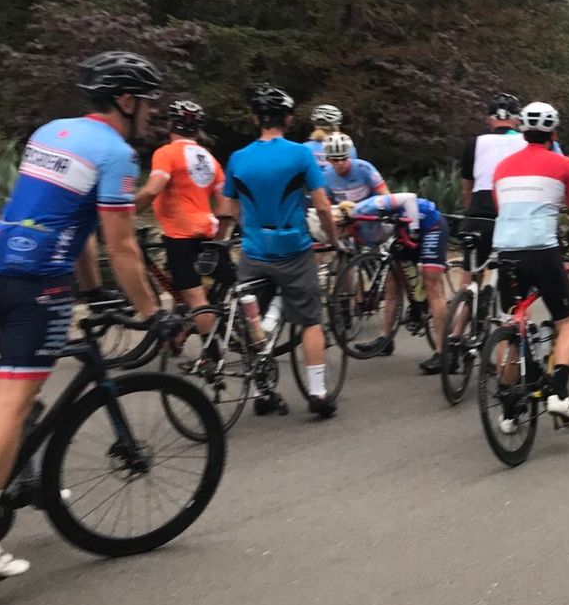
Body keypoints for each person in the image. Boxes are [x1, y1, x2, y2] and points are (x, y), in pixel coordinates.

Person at [0, 51, 174, 581]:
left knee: (18, 387)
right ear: (125, 100)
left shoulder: (51, 131)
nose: (151, 112)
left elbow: (71, 222)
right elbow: (121, 245)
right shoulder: (117, 154)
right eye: (147, 102)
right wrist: (152, 313)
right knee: (12, 400)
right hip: (37, 283)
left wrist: (93, 292)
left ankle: (24, 480)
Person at [223, 84, 344, 418]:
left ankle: (262, 392)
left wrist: (248, 227)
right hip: (293, 249)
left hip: (254, 250)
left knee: (253, 321)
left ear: (255, 119)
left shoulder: (238, 158)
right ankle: (317, 393)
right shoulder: (300, 155)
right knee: (310, 320)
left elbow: (230, 207)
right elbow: (322, 206)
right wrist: (334, 239)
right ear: (288, 119)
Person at [491, 101, 569, 428]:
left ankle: (508, 411)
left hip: (506, 250)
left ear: (523, 131)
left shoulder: (502, 167)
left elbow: (503, 208)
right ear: (553, 133)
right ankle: (559, 394)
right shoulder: (564, 164)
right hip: (541, 250)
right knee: (567, 320)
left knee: (512, 322)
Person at [134, 100, 232, 337]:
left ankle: (210, 353)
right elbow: (225, 206)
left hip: (180, 234)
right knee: (211, 287)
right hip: (209, 232)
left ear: (170, 125)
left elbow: (153, 189)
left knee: (195, 297)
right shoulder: (210, 159)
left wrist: (124, 213)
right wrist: (218, 240)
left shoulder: (166, 153)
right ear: (198, 130)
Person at [339, 189, 450, 373]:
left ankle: (442, 352)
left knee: (432, 286)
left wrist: (414, 230)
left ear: (347, 222)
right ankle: (386, 338)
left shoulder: (368, 206)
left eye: (339, 230)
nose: (339, 234)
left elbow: (409, 197)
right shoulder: (354, 234)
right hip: (403, 232)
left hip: (430, 225)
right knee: (392, 284)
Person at [459, 93, 526, 264]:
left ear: (489, 119)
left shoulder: (474, 143)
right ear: (517, 120)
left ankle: (470, 280)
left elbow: (466, 189)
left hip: (481, 208)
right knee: (518, 267)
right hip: (514, 208)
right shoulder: (526, 142)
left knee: (472, 266)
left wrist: (470, 215)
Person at [321, 132, 390, 205]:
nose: (340, 163)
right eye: (335, 160)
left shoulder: (364, 168)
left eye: (344, 158)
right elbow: (326, 202)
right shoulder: (325, 175)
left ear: (349, 156)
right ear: (328, 160)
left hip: (369, 207)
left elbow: (384, 193)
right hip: (344, 209)